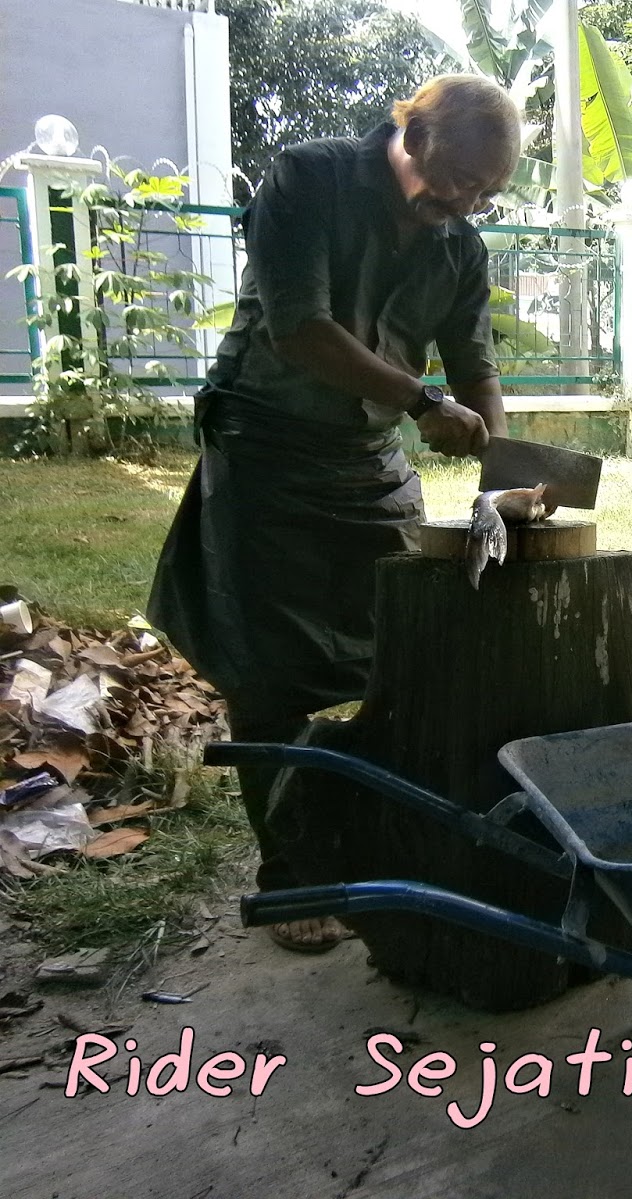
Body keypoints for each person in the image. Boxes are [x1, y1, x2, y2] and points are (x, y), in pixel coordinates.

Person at [149, 75, 523, 952]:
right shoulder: (307, 180)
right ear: (415, 131)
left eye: (487, 192)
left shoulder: (457, 244)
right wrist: (424, 405)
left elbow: (475, 362)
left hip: (367, 463)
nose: (468, 201)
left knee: (399, 650)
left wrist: (499, 464)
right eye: (462, 178)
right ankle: (294, 880)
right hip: (266, 450)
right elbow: (299, 328)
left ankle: (373, 840)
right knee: (272, 675)